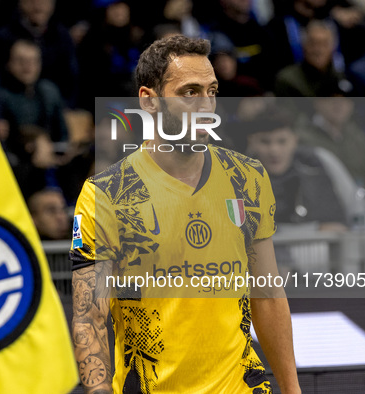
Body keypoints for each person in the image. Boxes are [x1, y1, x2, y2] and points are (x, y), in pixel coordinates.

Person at [70, 35, 300, 393]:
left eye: (212, 91)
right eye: (189, 92)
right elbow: (90, 316)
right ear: (149, 100)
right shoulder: (107, 194)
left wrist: (292, 388)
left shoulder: (247, 177)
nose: (206, 105)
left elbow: (267, 295)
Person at [246, 110, 348, 231]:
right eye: (265, 142)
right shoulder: (238, 176)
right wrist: (315, 230)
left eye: (282, 141)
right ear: (251, 142)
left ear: (295, 140)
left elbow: (353, 213)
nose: (274, 150)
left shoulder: (318, 163)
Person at [0, 39, 68, 145]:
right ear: (8, 63)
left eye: (33, 61)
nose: (27, 66)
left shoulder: (49, 91)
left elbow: (62, 135)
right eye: (21, 61)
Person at [274, 20, 352, 97]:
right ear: (303, 46)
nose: (318, 50)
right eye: (313, 43)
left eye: (324, 44)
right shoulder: (288, 81)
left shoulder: (342, 78)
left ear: (333, 48)